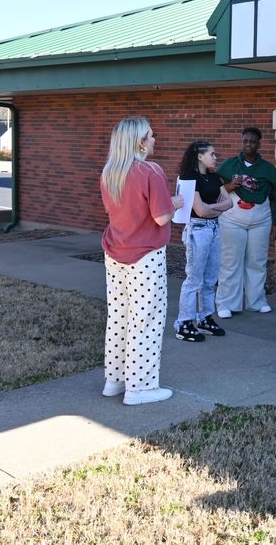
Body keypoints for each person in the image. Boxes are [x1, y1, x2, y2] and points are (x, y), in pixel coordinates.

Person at [99, 116, 183, 406]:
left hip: (115, 251)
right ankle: (141, 387)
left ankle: (115, 380)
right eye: (151, 134)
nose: (155, 138)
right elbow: (161, 216)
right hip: (146, 255)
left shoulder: (109, 172)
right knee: (146, 320)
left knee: (119, 317)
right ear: (139, 141)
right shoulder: (151, 171)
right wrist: (174, 203)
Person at [216, 127, 276, 317]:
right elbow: (213, 189)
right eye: (245, 141)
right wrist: (228, 186)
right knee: (231, 261)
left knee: (257, 261)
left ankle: (256, 301)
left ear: (259, 144)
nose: (248, 144)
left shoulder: (268, 170)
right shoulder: (229, 165)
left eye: (252, 141)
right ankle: (226, 304)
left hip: (260, 220)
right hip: (231, 219)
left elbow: (275, 197)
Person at [173, 141, 233, 343]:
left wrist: (211, 207)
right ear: (200, 156)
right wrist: (215, 207)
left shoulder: (215, 177)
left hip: (215, 228)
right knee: (194, 279)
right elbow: (200, 211)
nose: (216, 158)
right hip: (198, 229)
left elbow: (230, 202)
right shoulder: (189, 178)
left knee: (210, 278)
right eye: (212, 154)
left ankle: (205, 318)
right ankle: (185, 322)